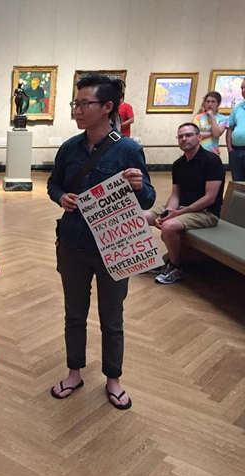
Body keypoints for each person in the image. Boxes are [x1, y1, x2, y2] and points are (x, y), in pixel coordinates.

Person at [47, 74, 155, 410]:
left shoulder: (129, 150)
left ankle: (113, 378)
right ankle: (74, 371)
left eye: (84, 104)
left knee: (112, 317)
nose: (77, 110)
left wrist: (139, 186)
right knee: (74, 314)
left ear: (108, 107)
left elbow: (148, 200)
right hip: (73, 244)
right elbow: (53, 184)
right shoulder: (69, 148)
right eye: (75, 104)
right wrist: (60, 196)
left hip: (115, 247)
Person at [145, 123, 225, 284]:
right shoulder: (178, 164)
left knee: (168, 226)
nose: (184, 139)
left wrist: (178, 213)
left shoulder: (212, 161)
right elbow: (175, 194)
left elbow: (210, 198)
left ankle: (175, 266)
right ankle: (150, 259)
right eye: (180, 136)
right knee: (142, 216)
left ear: (199, 137)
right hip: (182, 208)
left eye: (188, 135)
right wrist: (168, 211)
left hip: (206, 212)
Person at [226, 78, 245, 181]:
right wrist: (230, 149)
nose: (243, 90)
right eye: (242, 88)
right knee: (238, 183)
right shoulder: (237, 108)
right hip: (236, 152)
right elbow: (230, 129)